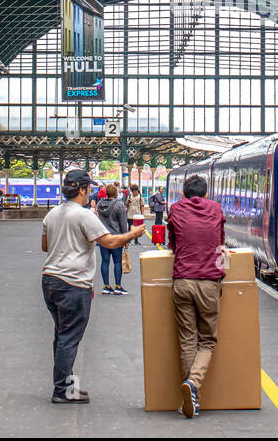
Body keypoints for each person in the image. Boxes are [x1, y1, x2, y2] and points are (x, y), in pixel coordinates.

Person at [40, 169, 145, 404]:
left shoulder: (52, 214)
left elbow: (45, 246)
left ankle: (67, 386)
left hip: (50, 280)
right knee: (69, 338)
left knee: (62, 334)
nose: (90, 193)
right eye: (88, 189)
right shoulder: (84, 215)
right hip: (73, 283)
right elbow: (108, 241)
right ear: (82, 189)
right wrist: (133, 233)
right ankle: (61, 391)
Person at [166, 174, 225, 419]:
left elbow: (172, 244)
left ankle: (192, 400)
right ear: (206, 194)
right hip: (209, 282)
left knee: (188, 341)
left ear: (183, 194)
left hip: (182, 282)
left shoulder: (175, 210)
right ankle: (194, 383)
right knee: (207, 341)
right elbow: (220, 243)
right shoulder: (217, 209)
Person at [95, 183, 128, 295]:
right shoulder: (119, 205)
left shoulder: (99, 205)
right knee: (117, 261)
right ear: (116, 193)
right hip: (116, 237)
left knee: (105, 261)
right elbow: (123, 224)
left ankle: (106, 286)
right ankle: (118, 286)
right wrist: (126, 239)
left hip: (104, 237)